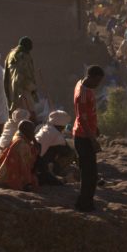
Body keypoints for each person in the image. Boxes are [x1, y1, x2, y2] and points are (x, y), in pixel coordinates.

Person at [73, 65, 104, 212]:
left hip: (86, 133)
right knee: (89, 173)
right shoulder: (83, 93)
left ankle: (86, 201)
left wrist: (95, 127)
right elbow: (82, 119)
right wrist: (93, 140)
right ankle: (84, 203)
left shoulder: (83, 85)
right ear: (90, 77)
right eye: (97, 81)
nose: (98, 85)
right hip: (83, 136)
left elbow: (89, 113)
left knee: (91, 172)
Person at [0, 119, 39, 191]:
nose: (33, 134)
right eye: (32, 131)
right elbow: (24, 165)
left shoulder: (18, 136)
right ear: (27, 131)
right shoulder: (22, 144)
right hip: (15, 174)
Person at [35, 110, 75, 184]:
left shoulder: (45, 128)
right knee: (71, 152)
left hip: (37, 160)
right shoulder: (56, 134)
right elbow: (67, 150)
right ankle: (55, 169)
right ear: (62, 125)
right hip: (42, 163)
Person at [5, 37, 38, 120]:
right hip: (23, 90)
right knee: (28, 116)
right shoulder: (23, 55)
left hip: (12, 90)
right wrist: (33, 88)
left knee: (15, 115)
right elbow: (26, 75)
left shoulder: (11, 54)